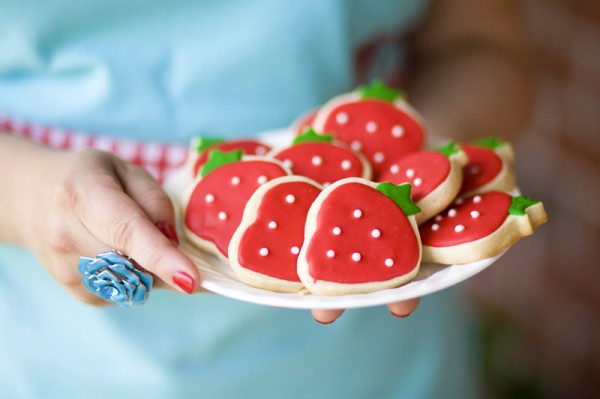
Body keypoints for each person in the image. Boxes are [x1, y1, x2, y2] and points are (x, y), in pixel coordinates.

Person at [0, 0, 532, 397]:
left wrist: (417, 170)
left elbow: (482, 45)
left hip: (377, 354)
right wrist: (29, 197)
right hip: (55, 358)